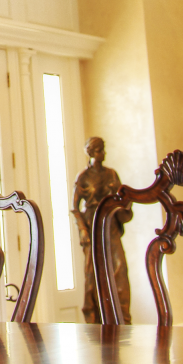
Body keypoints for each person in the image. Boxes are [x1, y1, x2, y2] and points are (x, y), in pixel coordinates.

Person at [72, 136, 132, 324]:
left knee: (120, 268)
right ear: (91, 153)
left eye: (103, 149)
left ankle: (123, 319)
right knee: (92, 274)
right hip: (91, 226)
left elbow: (123, 201)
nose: (103, 153)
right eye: (99, 150)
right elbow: (75, 207)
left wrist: (123, 201)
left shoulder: (112, 174)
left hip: (111, 224)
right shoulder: (83, 177)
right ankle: (93, 320)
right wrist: (82, 229)